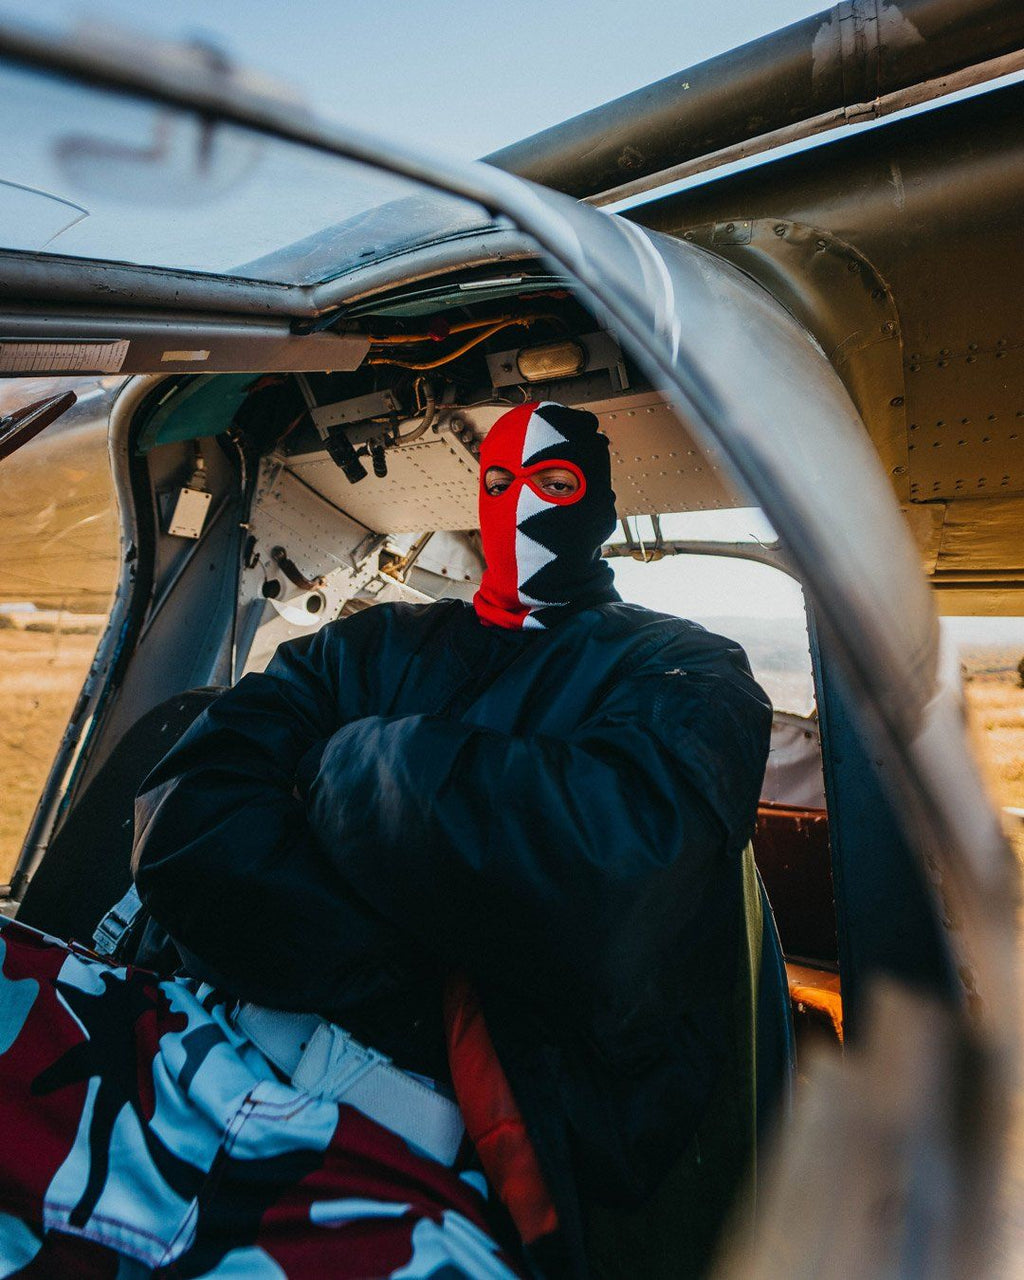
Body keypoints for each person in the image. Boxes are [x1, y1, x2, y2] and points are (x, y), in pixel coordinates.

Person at [0, 402, 775, 1278]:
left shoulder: (687, 670)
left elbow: (615, 873)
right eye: (499, 483)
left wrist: (347, 766)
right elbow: (187, 813)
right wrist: (423, 943)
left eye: (554, 484)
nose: (523, 507)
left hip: (443, 1127)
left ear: (596, 500)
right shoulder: (365, 646)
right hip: (200, 1031)